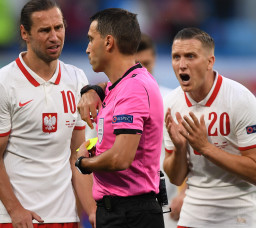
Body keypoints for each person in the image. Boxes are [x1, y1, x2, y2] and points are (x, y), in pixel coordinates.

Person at [0, 0, 96, 227]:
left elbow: (77, 155)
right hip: (17, 219)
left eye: (59, 27)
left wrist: (88, 211)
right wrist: (15, 211)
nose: (54, 37)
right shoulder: (3, 84)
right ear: (25, 33)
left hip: (65, 217)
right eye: (44, 30)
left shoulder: (77, 79)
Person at [163, 27, 256, 227]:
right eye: (176, 57)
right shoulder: (171, 103)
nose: (182, 65)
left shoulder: (240, 99)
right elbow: (176, 178)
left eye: (190, 56)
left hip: (240, 214)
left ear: (210, 61)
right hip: (194, 212)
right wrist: (179, 148)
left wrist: (206, 148)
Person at [74, 8, 165, 228]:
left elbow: (120, 159)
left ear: (108, 42)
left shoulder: (133, 88)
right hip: (119, 211)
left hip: (132, 215)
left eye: (90, 39)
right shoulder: (121, 85)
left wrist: (83, 163)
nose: (87, 48)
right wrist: (91, 89)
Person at [136, 33, 182, 228]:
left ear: (155, 59)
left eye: (147, 63)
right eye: (137, 64)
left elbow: (189, 153)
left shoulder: (171, 101)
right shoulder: (107, 103)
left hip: (166, 208)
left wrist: (184, 193)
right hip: (122, 210)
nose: (143, 70)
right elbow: (87, 149)